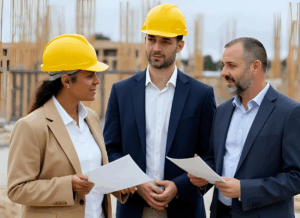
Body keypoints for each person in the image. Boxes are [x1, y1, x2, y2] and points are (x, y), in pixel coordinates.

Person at [103, 3, 216, 218]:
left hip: (184, 209)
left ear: (180, 45)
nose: (156, 48)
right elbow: (110, 149)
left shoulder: (201, 95)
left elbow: (210, 157)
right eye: (151, 39)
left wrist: (179, 186)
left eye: (165, 41)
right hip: (134, 207)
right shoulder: (121, 92)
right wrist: (136, 182)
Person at [6, 34, 133, 218]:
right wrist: (68, 186)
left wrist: (118, 183)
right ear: (66, 81)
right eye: (89, 75)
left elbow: (93, 175)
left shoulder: (91, 118)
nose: (97, 81)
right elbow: (17, 189)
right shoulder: (31, 127)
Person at [189, 37, 300, 218]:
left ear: (255, 67)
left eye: (231, 66)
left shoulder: (289, 112)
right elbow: (214, 158)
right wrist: (204, 178)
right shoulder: (222, 111)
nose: (224, 72)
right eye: (223, 65)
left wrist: (244, 189)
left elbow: (296, 177)